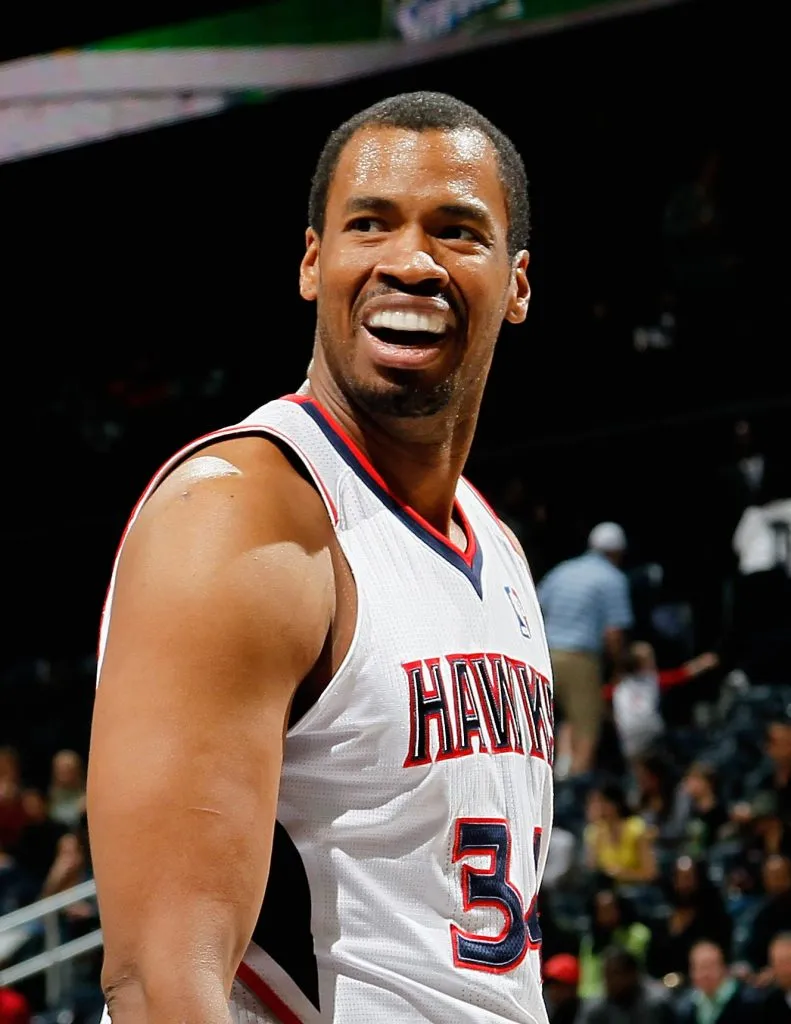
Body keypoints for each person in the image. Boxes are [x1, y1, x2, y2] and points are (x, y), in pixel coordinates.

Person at [87, 91, 553, 1024]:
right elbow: (159, 983)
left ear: (516, 284)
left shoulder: (492, 545)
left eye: (457, 232)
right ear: (312, 262)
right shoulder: (238, 514)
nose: (408, 262)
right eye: (369, 224)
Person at [538, 522, 633, 778]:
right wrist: (619, 668)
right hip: (581, 659)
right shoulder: (612, 578)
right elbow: (613, 634)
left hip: (545, 656)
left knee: (547, 723)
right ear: (617, 552)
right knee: (586, 729)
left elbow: (536, 606)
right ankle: (575, 792)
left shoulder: (562, 571)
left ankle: (554, 778)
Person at [675, 940, 753, 1023]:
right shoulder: (686, 1006)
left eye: (710, 966)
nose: (705, 974)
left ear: (723, 968)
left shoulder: (746, 1000)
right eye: (699, 968)